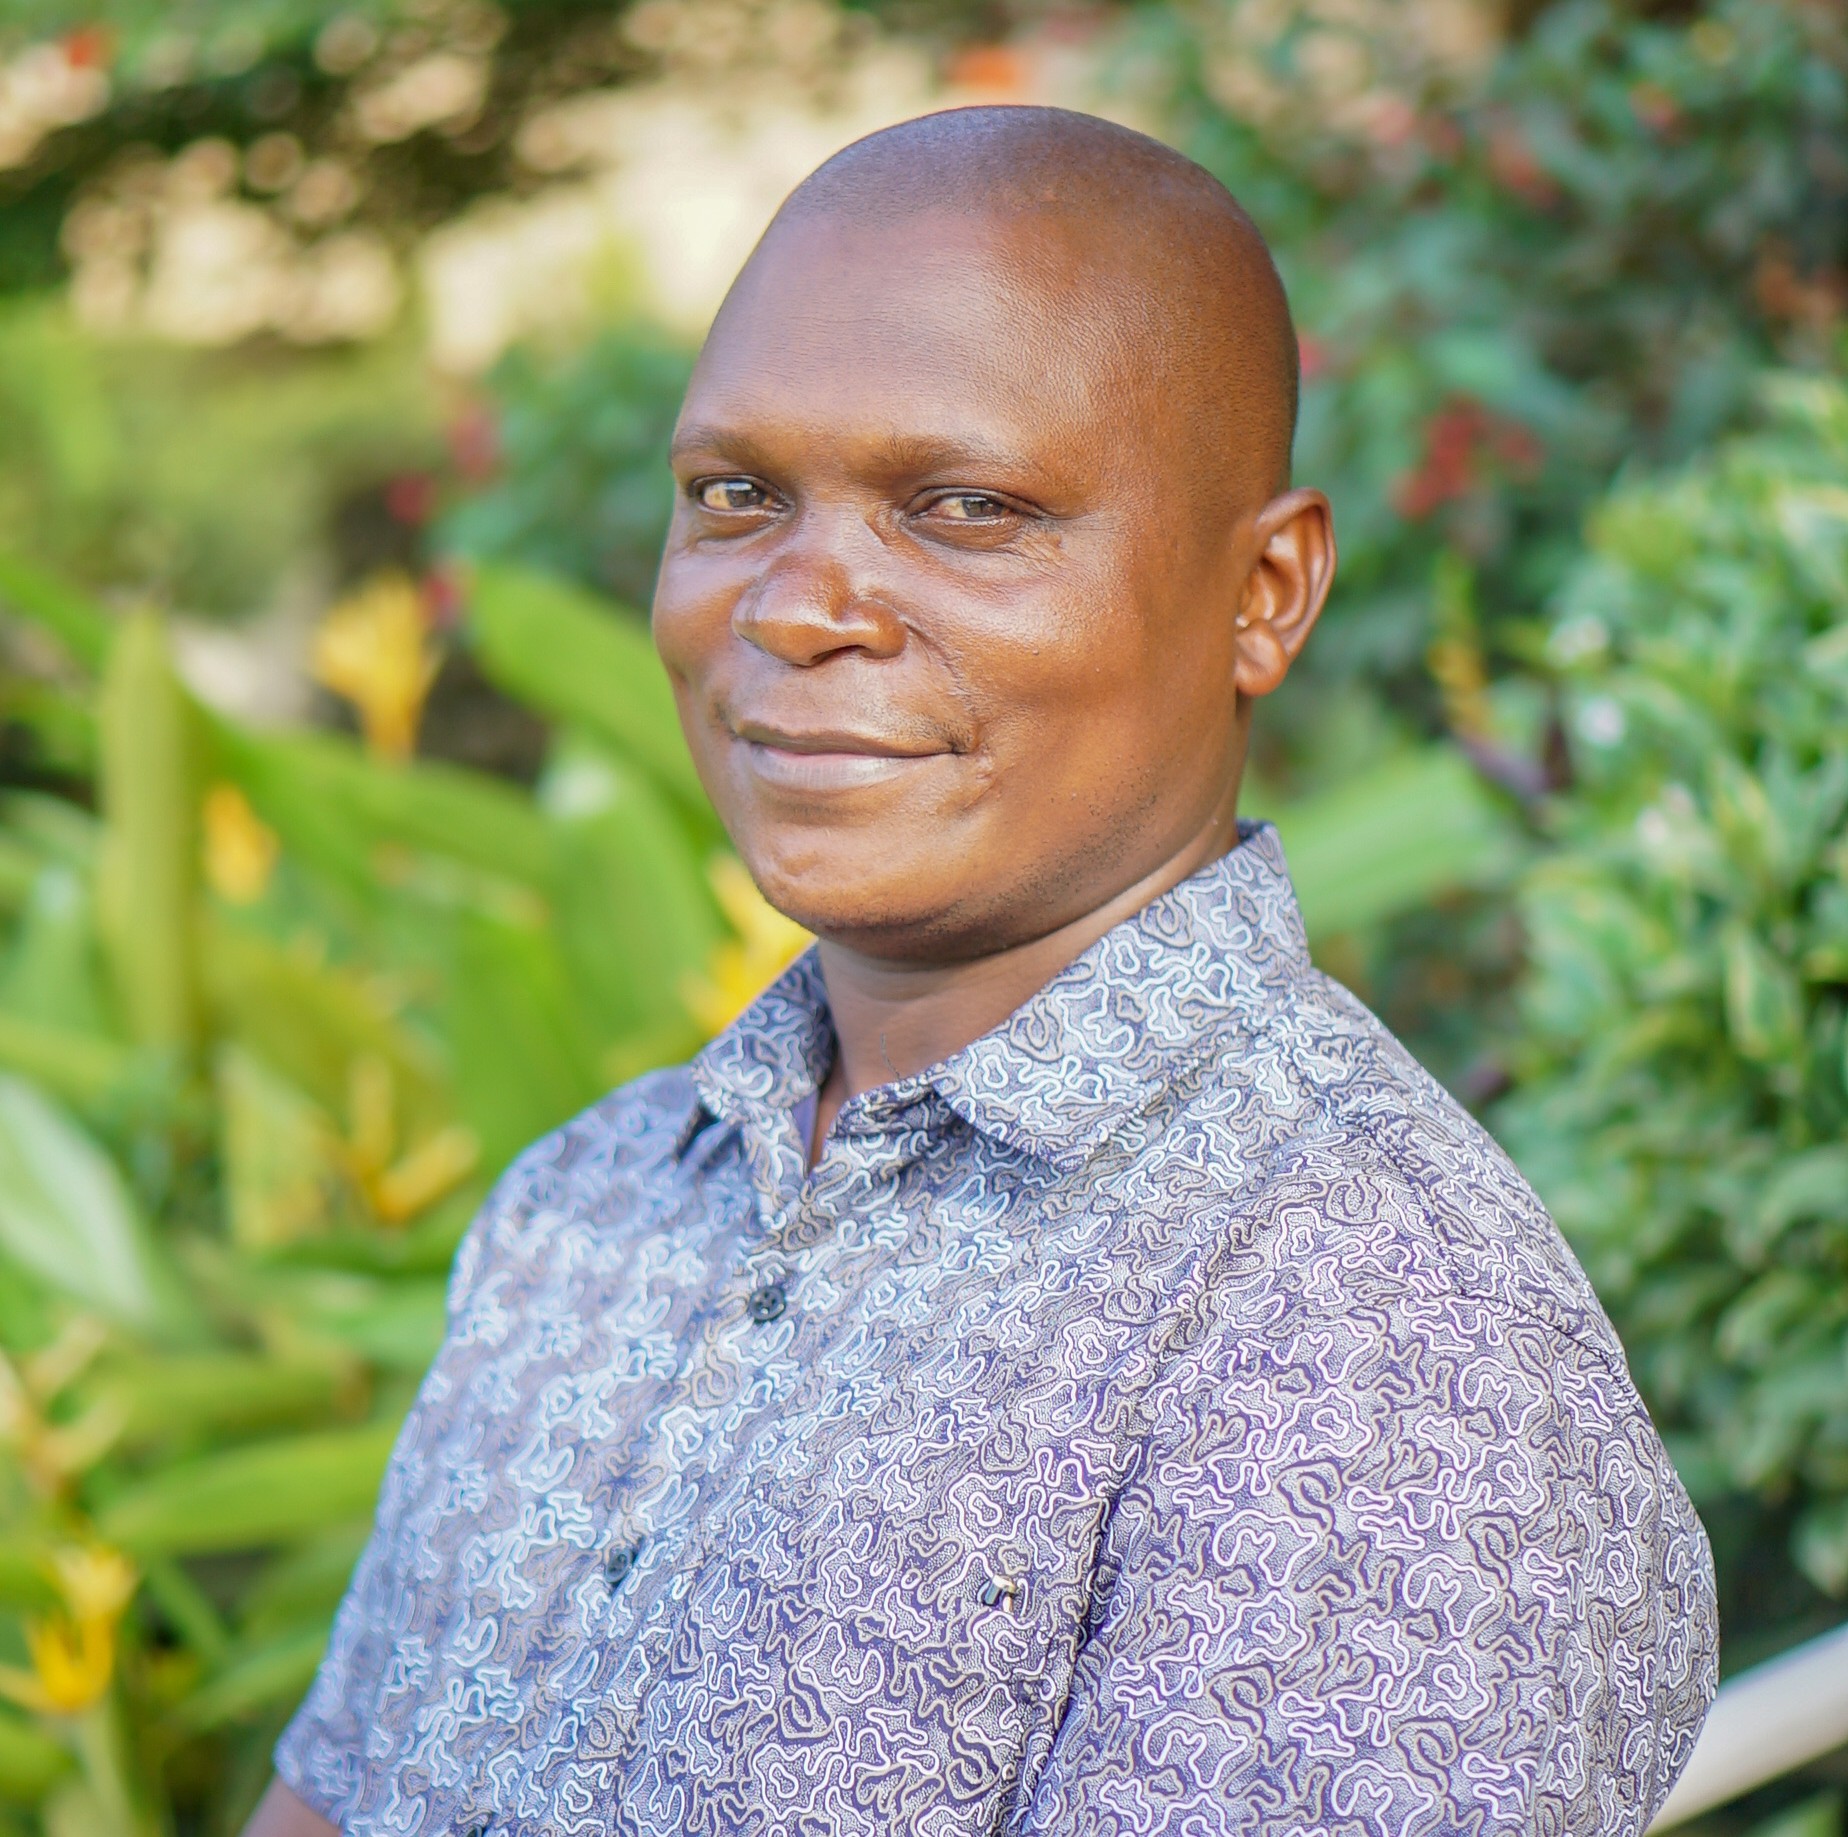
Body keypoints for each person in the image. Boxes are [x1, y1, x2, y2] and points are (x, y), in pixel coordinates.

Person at [246, 105, 1715, 1837]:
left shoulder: (1379, 1354)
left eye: (962, 508)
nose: (799, 604)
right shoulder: (601, 1204)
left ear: (1266, 592)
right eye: (737, 496)